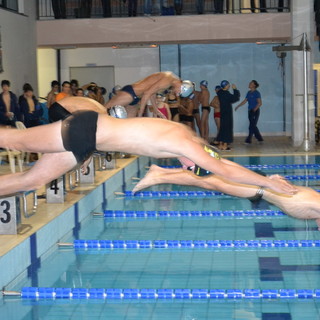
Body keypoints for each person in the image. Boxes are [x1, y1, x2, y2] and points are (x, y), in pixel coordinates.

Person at [0, 101, 297, 197]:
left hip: (88, 140)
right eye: (193, 166)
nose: (189, 167)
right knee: (13, 140)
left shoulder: (183, 134)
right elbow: (225, 169)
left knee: (33, 180)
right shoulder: (182, 142)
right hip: (84, 130)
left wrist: (206, 160)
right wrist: (265, 181)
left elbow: (214, 159)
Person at [132, 163, 320, 229]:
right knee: (208, 180)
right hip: (260, 189)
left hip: (263, 187)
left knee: (211, 177)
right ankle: (158, 175)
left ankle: (161, 171)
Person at [104, 72, 193, 118]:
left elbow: (152, 93)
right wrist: (140, 113)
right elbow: (146, 94)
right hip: (131, 92)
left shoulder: (170, 81)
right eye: (179, 93)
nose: (177, 94)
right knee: (103, 111)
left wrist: (156, 110)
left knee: (127, 124)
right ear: (182, 87)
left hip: (136, 99)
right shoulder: (168, 80)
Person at [235, 80, 263, 144]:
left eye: (251, 83)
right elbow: (245, 101)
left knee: (251, 125)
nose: (249, 84)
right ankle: (259, 138)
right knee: (253, 125)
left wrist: (254, 109)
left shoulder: (256, 93)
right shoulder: (249, 92)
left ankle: (249, 139)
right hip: (250, 111)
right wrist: (238, 106)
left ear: (254, 85)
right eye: (250, 83)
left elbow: (260, 103)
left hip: (255, 111)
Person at [216, 80, 240, 151]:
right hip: (227, 113)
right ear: (226, 86)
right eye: (228, 85)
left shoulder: (220, 93)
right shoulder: (226, 94)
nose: (229, 86)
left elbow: (219, 90)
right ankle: (225, 145)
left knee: (222, 128)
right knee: (227, 129)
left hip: (222, 112)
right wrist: (235, 89)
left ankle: (220, 144)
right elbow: (235, 98)